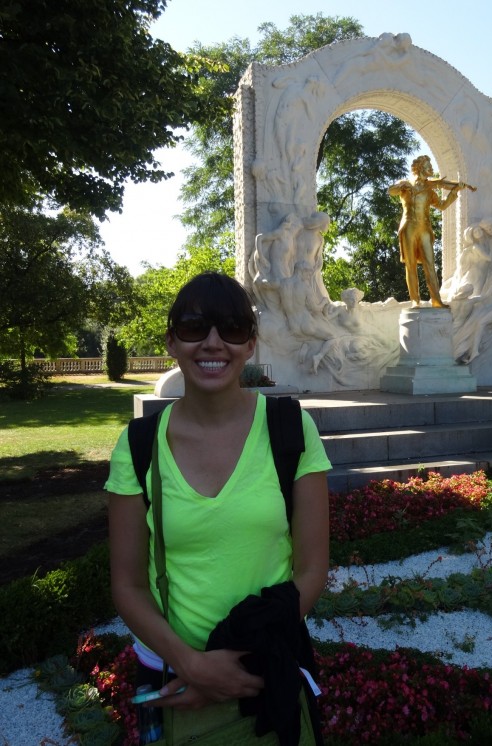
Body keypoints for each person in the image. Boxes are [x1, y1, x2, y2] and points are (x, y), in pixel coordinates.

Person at [105, 272, 331, 744]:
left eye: (231, 328)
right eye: (193, 327)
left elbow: (312, 570)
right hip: (172, 672)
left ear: (250, 344)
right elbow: (127, 584)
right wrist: (195, 666)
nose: (213, 343)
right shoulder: (139, 445)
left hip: (265, 666)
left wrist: (234, 667)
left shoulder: (290, 430)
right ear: (171, 342)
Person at [388, 155, 472, 307]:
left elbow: (442, 205)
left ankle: (436, 300)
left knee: (430, 265)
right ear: (420, 168)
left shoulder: (429, 189)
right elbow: (390, 191)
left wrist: (454, 192)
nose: (432, 170)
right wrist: (401, 187)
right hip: (408, 227)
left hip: (424, 228)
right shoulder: (406, 184)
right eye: (429, 167)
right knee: (411, 265)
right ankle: (415, 300)